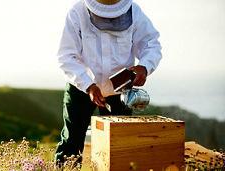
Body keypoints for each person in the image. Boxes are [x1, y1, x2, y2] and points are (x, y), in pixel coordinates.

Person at [55, 0, 162, 166]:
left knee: (120, 145)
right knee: (71, 142)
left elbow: (151, 44)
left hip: (120, 90)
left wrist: (144, 66)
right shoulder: (77, 12)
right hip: (81, 87)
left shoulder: (135, 12)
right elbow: (66, 56)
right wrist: (88, 85)